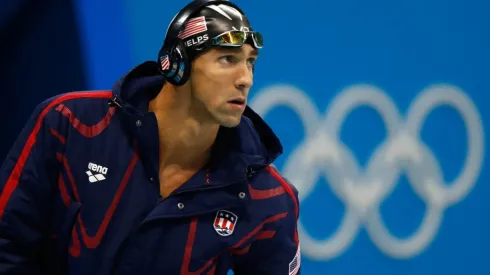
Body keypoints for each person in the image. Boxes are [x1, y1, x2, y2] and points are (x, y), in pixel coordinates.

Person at [0, 0, 301, 274]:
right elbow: (7, 243)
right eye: (227, 59)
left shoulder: (266, 196)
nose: (245, 79)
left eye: (250, 62)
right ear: (177, 64)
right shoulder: (70, 124)